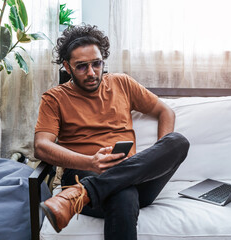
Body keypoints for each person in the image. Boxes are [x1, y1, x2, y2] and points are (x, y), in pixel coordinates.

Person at [34, 24, 190, 240]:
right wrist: (90, 162)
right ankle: (87, 188)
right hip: (82, 173)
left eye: (97, 64)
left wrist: (148, 162)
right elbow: (41, 146)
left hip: (132, 175)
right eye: (81, 67)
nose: (91, 73)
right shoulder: (54, 98)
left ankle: (81, 194)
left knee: (177, 142)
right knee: (123, 194)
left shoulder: (122, 83)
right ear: (67, 67)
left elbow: (165, 111)